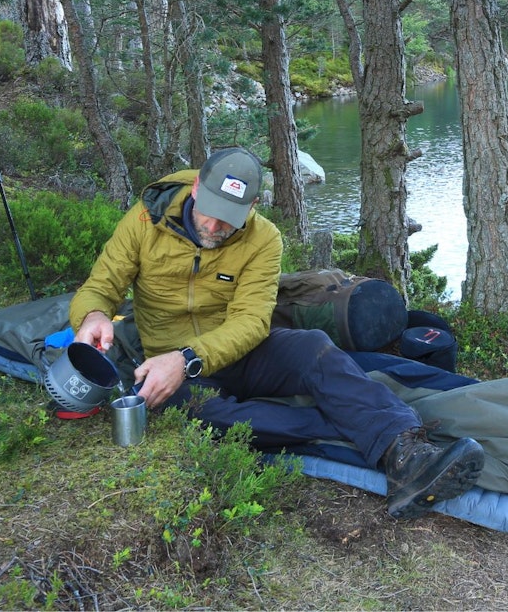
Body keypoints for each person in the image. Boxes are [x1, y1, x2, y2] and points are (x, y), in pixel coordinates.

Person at [69, 148, 483, 520]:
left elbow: (251, 322)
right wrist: (92, 316)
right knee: (203, 414)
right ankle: (350, 426)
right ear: (196, 186)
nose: (215, 226)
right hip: (168, 361)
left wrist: (190, 356)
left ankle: (406, 455)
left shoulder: (264, 238)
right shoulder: (146, 220)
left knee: (313, 348)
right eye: (209, 210)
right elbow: (102, 285)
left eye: (230, 218)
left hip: (237, 351)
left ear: (251, 207)